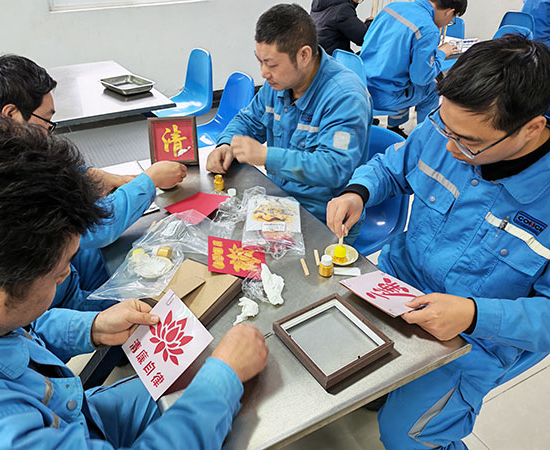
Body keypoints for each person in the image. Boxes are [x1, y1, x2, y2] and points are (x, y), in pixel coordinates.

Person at [0, 114, 269, 449]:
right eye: (59, 274)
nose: (67, 275)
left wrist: (92, 326)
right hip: (74, 427)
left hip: (78, 413)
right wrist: (221, 379)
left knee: (192, 385)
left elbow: (19, 332)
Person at [326, 35, 550, 449]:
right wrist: (359, 191)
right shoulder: (448, 130)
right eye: (446, 127)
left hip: (472, 336)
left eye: (469, 142)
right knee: (335, 350)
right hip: (396, 285)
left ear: (532, 128)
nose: (449, 146)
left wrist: (473, 315)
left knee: (407, 436)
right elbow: (394, 166)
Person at [0, 55, 187, 311]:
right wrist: (149, 180)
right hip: (50, 303)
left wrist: (90, 175)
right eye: (46, 121)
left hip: (67, 280)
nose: (49, 133)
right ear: (11, 114)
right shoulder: (9, 186)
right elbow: (97, 226)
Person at [206, 3, 372, 242]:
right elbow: (248, 119)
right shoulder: (278, 85)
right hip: (279, 202)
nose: (264, 73)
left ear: (304, 55)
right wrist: (226, 144)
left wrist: (265, 156)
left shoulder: (345, 97)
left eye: (271, 64)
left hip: (323, 218)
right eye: (260, 61)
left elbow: (334, 168)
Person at [360, 0, 467, 137]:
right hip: (384, 95)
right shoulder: (428, 29)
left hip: (362, 84)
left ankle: (394, 127)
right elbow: (421, 78)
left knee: (404, 79)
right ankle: (425, 137)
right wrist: (441, 53)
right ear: (449, 12)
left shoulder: (393, 7)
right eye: (452, 19)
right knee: (433, 89)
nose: (448, 22)